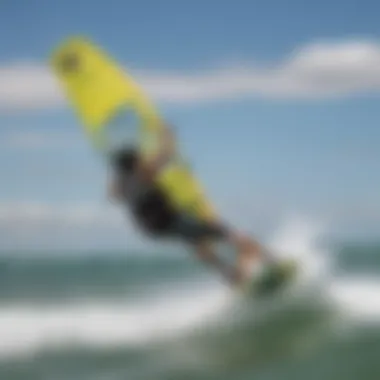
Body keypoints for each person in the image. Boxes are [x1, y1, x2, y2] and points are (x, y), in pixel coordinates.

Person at [107, 126, 269, 287]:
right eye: (140, 159)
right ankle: (265, 261)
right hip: (172, 221)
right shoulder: (142, 175)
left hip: (154, 229)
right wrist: (167, 135)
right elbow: (167, 155)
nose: (143, 159)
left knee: (197, 242)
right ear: (135, 163)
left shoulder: (120, 185)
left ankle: (230, 275)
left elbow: (113, 195)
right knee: (225, 232)